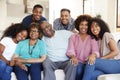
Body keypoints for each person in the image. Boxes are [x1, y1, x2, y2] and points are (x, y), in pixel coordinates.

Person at [66, 15, 100, 80]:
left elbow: (96, 51)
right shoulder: (73, 37)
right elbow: (70, 50)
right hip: (78, 62)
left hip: (89, 63)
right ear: (78, 25)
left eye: (86, 25)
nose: (84, 27)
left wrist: (93, 55)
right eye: (81, 24)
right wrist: (73, 57)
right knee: (78, 71)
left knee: (90, 71)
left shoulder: (92, 37)